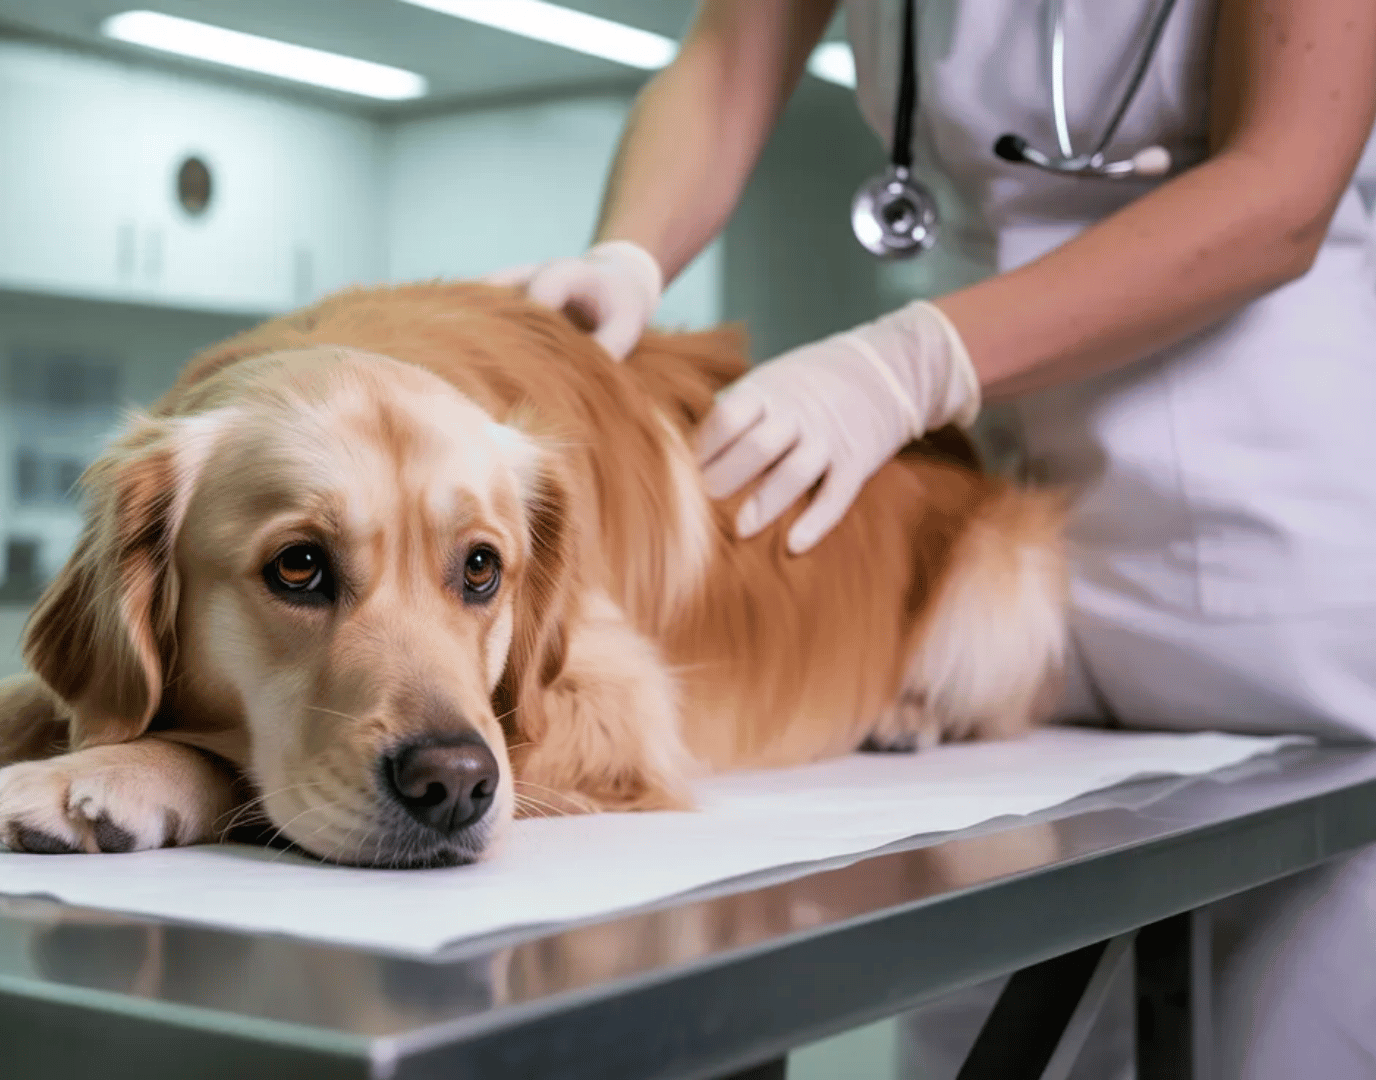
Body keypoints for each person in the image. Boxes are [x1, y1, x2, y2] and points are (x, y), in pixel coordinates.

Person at [491, 1, 1376, 1077]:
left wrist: (910, 363)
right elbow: (730, 56)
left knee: (1288, 1027)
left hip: (1252, 513)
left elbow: (1282, 185)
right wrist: (629, 252)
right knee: (994, 1011)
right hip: (980, 505)